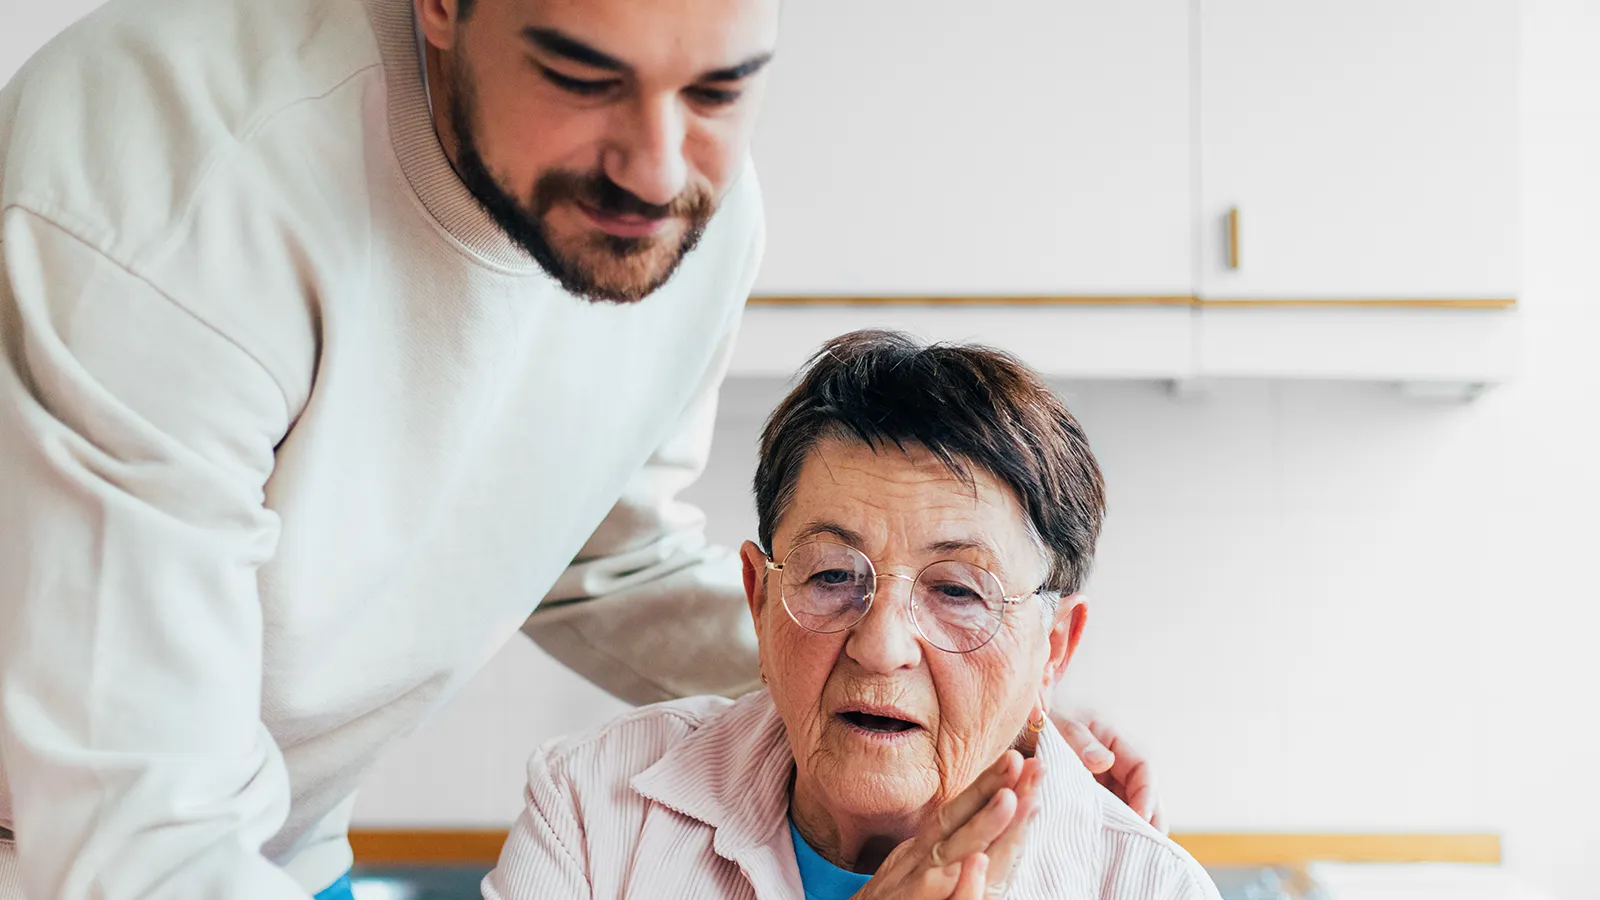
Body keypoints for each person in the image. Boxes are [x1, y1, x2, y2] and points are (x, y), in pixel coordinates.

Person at [0, 2, 1161, 898]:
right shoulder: (169, 192)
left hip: (277, 848)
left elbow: (604, 556)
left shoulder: (693, 214)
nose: (656, 169)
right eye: (580, 76)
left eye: (717, 89)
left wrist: (939, 695)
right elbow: (131, 837)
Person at [484, 330, 1217, 900]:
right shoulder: (595, 803)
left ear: (1052, 649)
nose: (881, 645)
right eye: (833, 575)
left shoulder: (1146, 886)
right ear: (759, 598)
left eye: (958, 592)